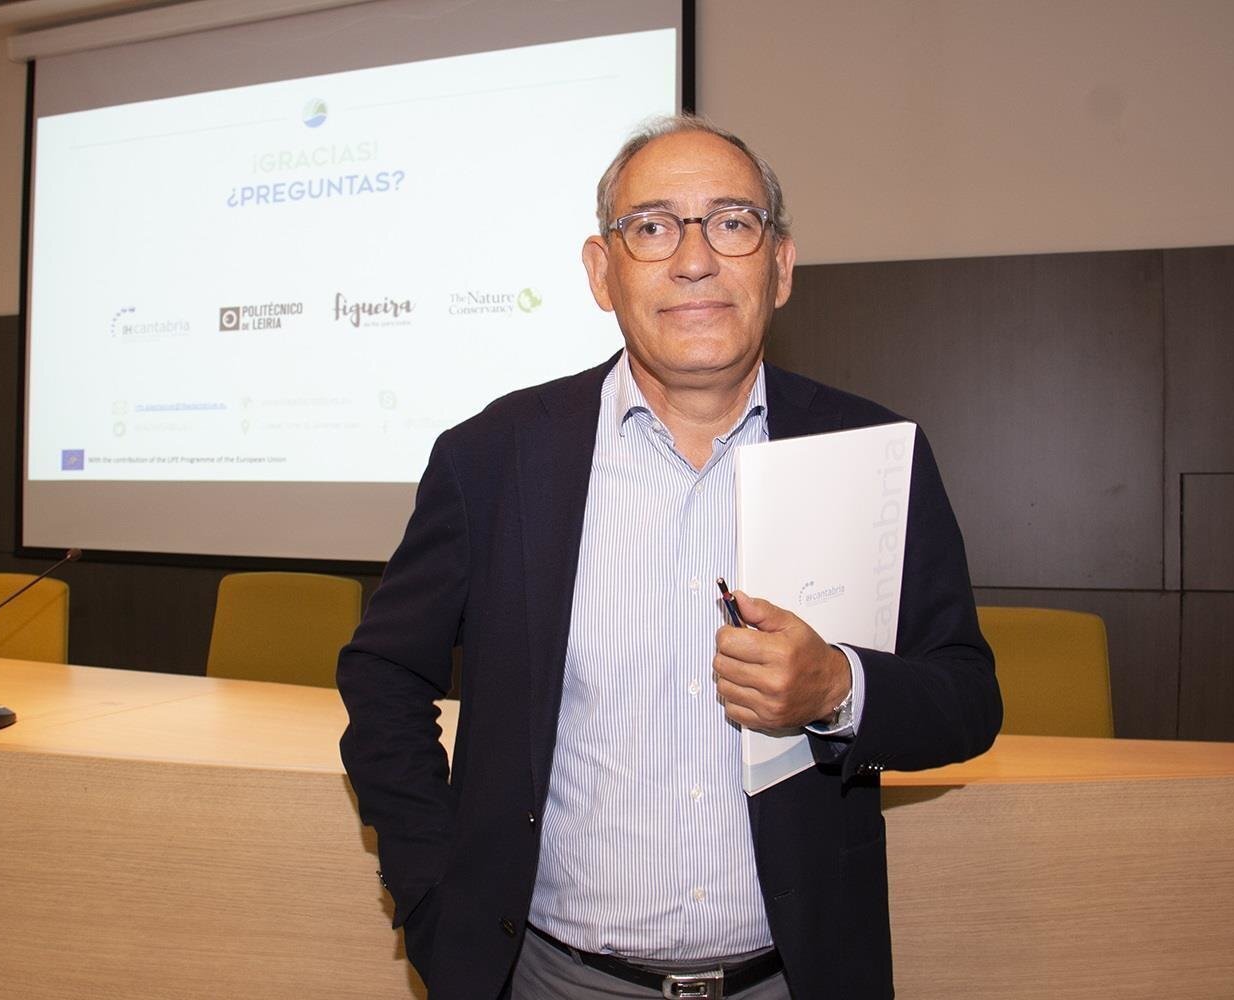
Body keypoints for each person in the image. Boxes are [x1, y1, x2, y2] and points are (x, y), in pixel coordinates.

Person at [338, 114, 1001, 1000]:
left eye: (733, 222)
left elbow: (966, 699)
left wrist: (837, 688)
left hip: (796, 979)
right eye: (651, 227)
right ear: (601, 271)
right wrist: (433, 891)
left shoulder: (871, 452)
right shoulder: (493, 458)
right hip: (550, 979)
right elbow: (384, 674)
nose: (695, 259)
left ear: (781, 266)